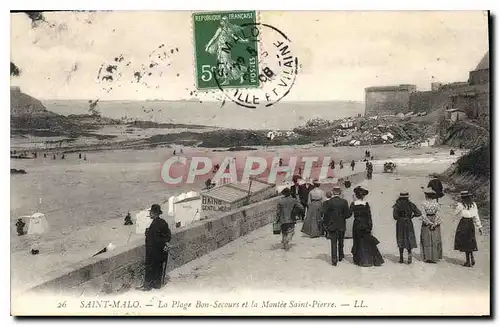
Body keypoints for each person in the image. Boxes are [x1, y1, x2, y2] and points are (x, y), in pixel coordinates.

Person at [138, 204, 172, 291]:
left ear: (154, 213)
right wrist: (164, 243)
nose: (150, 214)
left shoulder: (155, 224)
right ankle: (156, 284)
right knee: (158, 267)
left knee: (150, 267)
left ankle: (147, 286)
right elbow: (168, 236)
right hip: (160, 251)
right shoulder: (163, 222)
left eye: (151, 213)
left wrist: (148, 233)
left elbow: (154, 237)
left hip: (153, 250)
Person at [350, 186, 384, 267]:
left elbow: (348, 214)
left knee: (357, 240)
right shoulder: (366, 204)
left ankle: (359, 259)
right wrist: (370, 226)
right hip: (365, 223)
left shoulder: (353, 204)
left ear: (356, 195)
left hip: (357, 223)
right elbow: (369, 216)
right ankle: (372, 259)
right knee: (367, 240)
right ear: (363, 196)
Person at [321, 187, 351, 266]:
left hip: (332, 224)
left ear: (333, 193)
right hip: (341, 224)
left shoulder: (329, 202)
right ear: (340, 193)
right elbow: (347, 214)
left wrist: (326, 223)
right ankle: (341, 256)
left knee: (333, 242)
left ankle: (334, 260)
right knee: (341, 241)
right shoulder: (344, 202)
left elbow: (325, 213)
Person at [454, 191, 483, 267]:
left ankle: (467, 261)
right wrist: (479, 227)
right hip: (470, 223)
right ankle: (472, 258)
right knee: (470, 240)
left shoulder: (461, 205)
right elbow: (476, 216)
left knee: (464, 241)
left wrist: (457, 207)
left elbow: (455, 213)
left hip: (463, 223)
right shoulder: (473, 204)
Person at [393, 192, 422, 264]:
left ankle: (401, 258)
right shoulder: (411, 204)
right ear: (407, 197)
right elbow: (419, 213)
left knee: (400, 238)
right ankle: (409, 257)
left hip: (400, 223)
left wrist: (400, 218)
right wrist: (412, 216)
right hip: (408, 222)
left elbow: (395, 216)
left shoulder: (397, 205)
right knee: (409, 238)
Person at [420, 188, 443, 263]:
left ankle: (427, 257)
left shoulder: (423, 203)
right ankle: (435, 257)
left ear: (426, 195)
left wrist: (429, 223)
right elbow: (438, 214)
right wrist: (435, 223)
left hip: (427, 220)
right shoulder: (436, 204)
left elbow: (423, 215)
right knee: (435, 238)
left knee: (426, 238)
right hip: (434, 219)